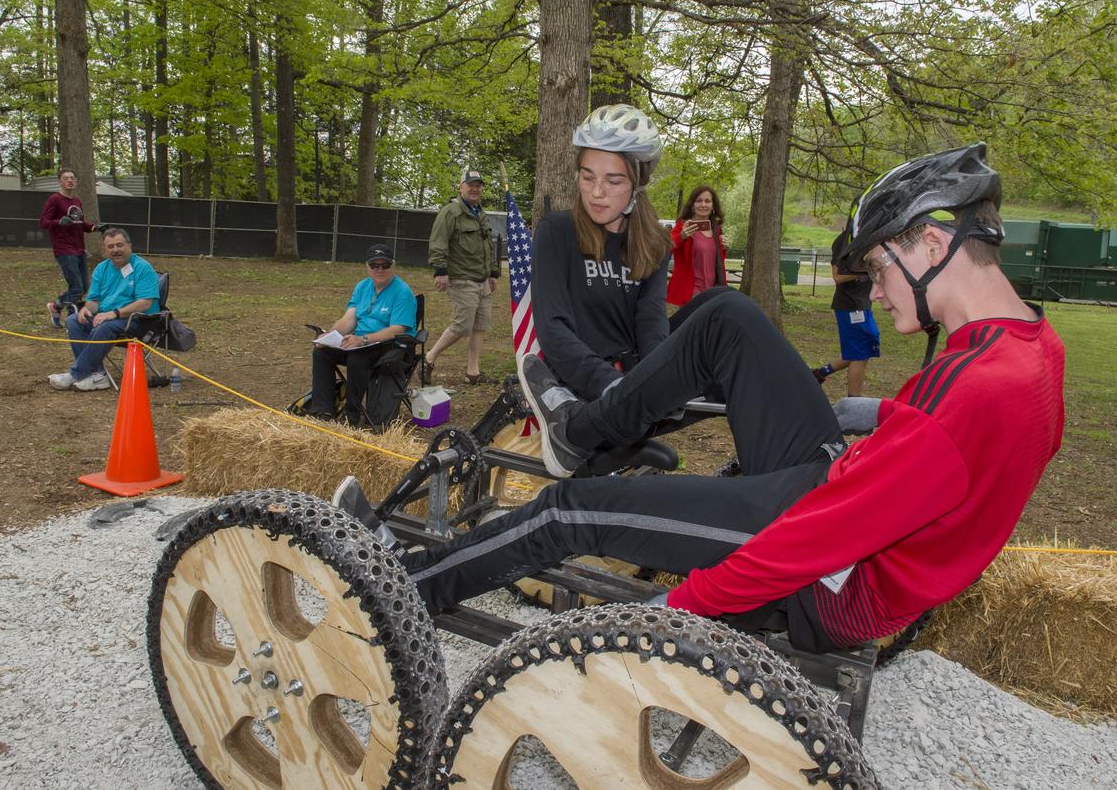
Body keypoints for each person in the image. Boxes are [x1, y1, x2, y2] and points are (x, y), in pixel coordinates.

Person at [396, 142, 1066, 654]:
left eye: (878, 268)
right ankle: (591, 422)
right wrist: (881, 416)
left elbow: (815, 538)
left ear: (933, 243)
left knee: (568, 510)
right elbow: (949, 460)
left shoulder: (967, 392)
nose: (877, 290)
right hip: (857, 500)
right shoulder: (1029, 347)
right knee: (722, 315)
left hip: (827, 577)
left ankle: (403, 587)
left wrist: (679, 612)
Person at [530, 103, 672, 401]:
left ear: (637, 184)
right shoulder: (557, 231)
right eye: (588, 176)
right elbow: (553, 327)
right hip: (574, 391)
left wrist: (657, 381)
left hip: (629, 385)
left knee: (724, 306)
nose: (596, 192)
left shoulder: (656, 243)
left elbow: (651, 320)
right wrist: (613, 387)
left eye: (613, 180)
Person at [306, 244, 418, 425]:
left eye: (385, 265)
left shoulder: (402, 292)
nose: (379, 270)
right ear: (367, 266)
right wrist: (328, 337)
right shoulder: (362, 287)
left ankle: (351, 414)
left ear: (393, 266)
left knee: (356, 358)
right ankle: (323, 412)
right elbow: (349, 319)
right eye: (374, 265)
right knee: (321, 354)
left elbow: (397, 329)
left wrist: (364, 339)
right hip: (359, 342)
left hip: (388, 345)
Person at [49, 228, 160, 392]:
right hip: (108, 317)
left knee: (105, 326)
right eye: (110, 246)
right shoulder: (102, 268)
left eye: (120, 245)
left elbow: (145, 303)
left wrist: (113, 314)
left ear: (129, 246)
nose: (115, 250)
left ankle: (76, 373)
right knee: (74, 320)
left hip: (139, 320)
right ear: (105, 250)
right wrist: (86, 309)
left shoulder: (143, 268)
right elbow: (94, 301)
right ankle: (97, 374)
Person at [424, 170, 499, 385]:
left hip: (482, 280)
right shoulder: (451, 212)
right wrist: (440, 271)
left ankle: (473, 373)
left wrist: (492, 273)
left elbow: (488, 245)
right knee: (462, 326)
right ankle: (428, 359)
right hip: (461, 278)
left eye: (478, 185)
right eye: (470, 185)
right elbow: (438, 242)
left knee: (479, 326)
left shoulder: (480, 213)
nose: (475, 189)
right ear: (461, 187)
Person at [812, 226, 881, 395]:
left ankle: (820, 374)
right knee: (860, 354)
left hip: (863, 304)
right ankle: (854, 401)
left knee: (862, 349)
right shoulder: (844, 241)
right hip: (850, 305)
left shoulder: (869, 239)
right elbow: (837, 277)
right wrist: (867, 269)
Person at [39, 167, 98, 328]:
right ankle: (73, 320)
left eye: (72, 178)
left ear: (76, 181)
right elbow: (44, 222)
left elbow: (80, 223)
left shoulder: (77, 201)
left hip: (79, 249)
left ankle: (56, 307)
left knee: (84, 287)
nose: (70, 180)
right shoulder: (55, 200)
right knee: (77, 288)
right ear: (60, 181)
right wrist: (58, 222)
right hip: (64, 249)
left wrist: (96, 228)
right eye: (66, 178)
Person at [666, 185, 729, 306]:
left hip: (712, 292)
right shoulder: (682, 226)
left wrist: (724, 248)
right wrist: (682, 237)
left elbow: (715, 261)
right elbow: (665, 248)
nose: (703, 205)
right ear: (692, 205)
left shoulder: (717, 230)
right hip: (689, 293)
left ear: (713, 206)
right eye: (699, 201)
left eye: (707, 201)